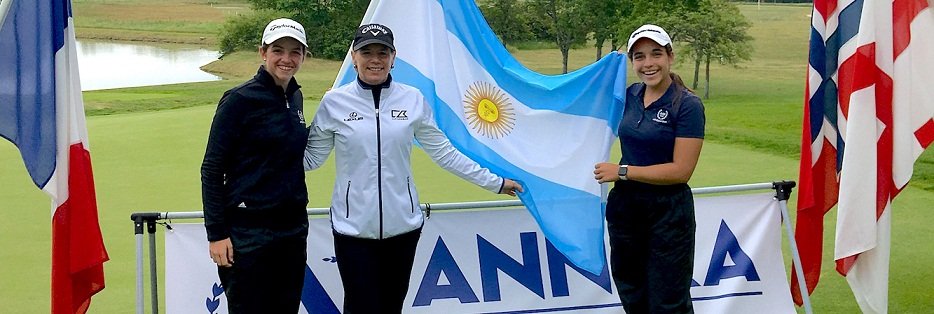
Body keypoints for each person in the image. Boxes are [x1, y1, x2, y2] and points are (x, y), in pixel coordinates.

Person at [303, 23, 524, 313]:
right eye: (366, 52)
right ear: (353, 58)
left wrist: (495, 182)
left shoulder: (413, 99)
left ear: (393, 57)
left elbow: (445, 154)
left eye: (382, 53)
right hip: (352, 231)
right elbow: (310, 159)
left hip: (402, 230)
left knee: (392, 306)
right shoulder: (334, 102)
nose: (375, 60)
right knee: (359, 306)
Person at [593, 24, 705, 313]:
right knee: (633, 295)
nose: (648, 63)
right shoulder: (628, 95)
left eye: (656, 54)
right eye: (639, 57)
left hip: (668, 213)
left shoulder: (688, 104)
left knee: (668, 302)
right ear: (632, 62)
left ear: (670, 57)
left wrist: (622, 171)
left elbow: (681, 170)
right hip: (627, 209)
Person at [200, 17, 310, 313]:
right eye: (278, 50)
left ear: (303, 55)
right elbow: (211, 170)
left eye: (295, 51)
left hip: (292, 230)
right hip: (248, 233)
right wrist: (217, 234)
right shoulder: (238, 100)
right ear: (263, 53)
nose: (286, 58)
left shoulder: (295, 97)